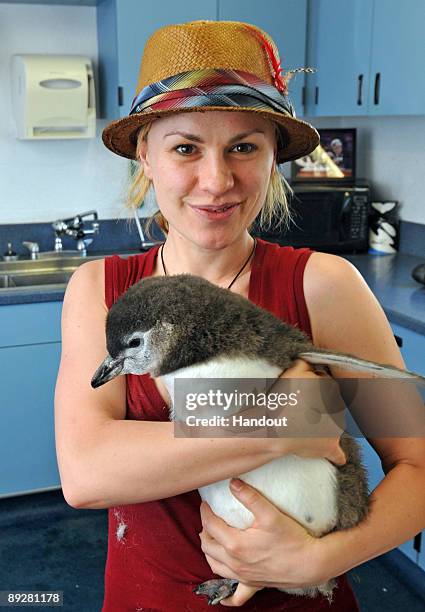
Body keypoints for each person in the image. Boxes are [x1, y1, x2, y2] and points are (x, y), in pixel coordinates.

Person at [54, 20, 425, 611]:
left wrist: (320, 560)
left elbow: (417, 466)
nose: (217, 180)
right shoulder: (99, 289)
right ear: (144, 157)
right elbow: (87, 474)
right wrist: (292, 418)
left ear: (275, 156)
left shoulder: (324, 286)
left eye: (244, 146)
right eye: (185, 148)